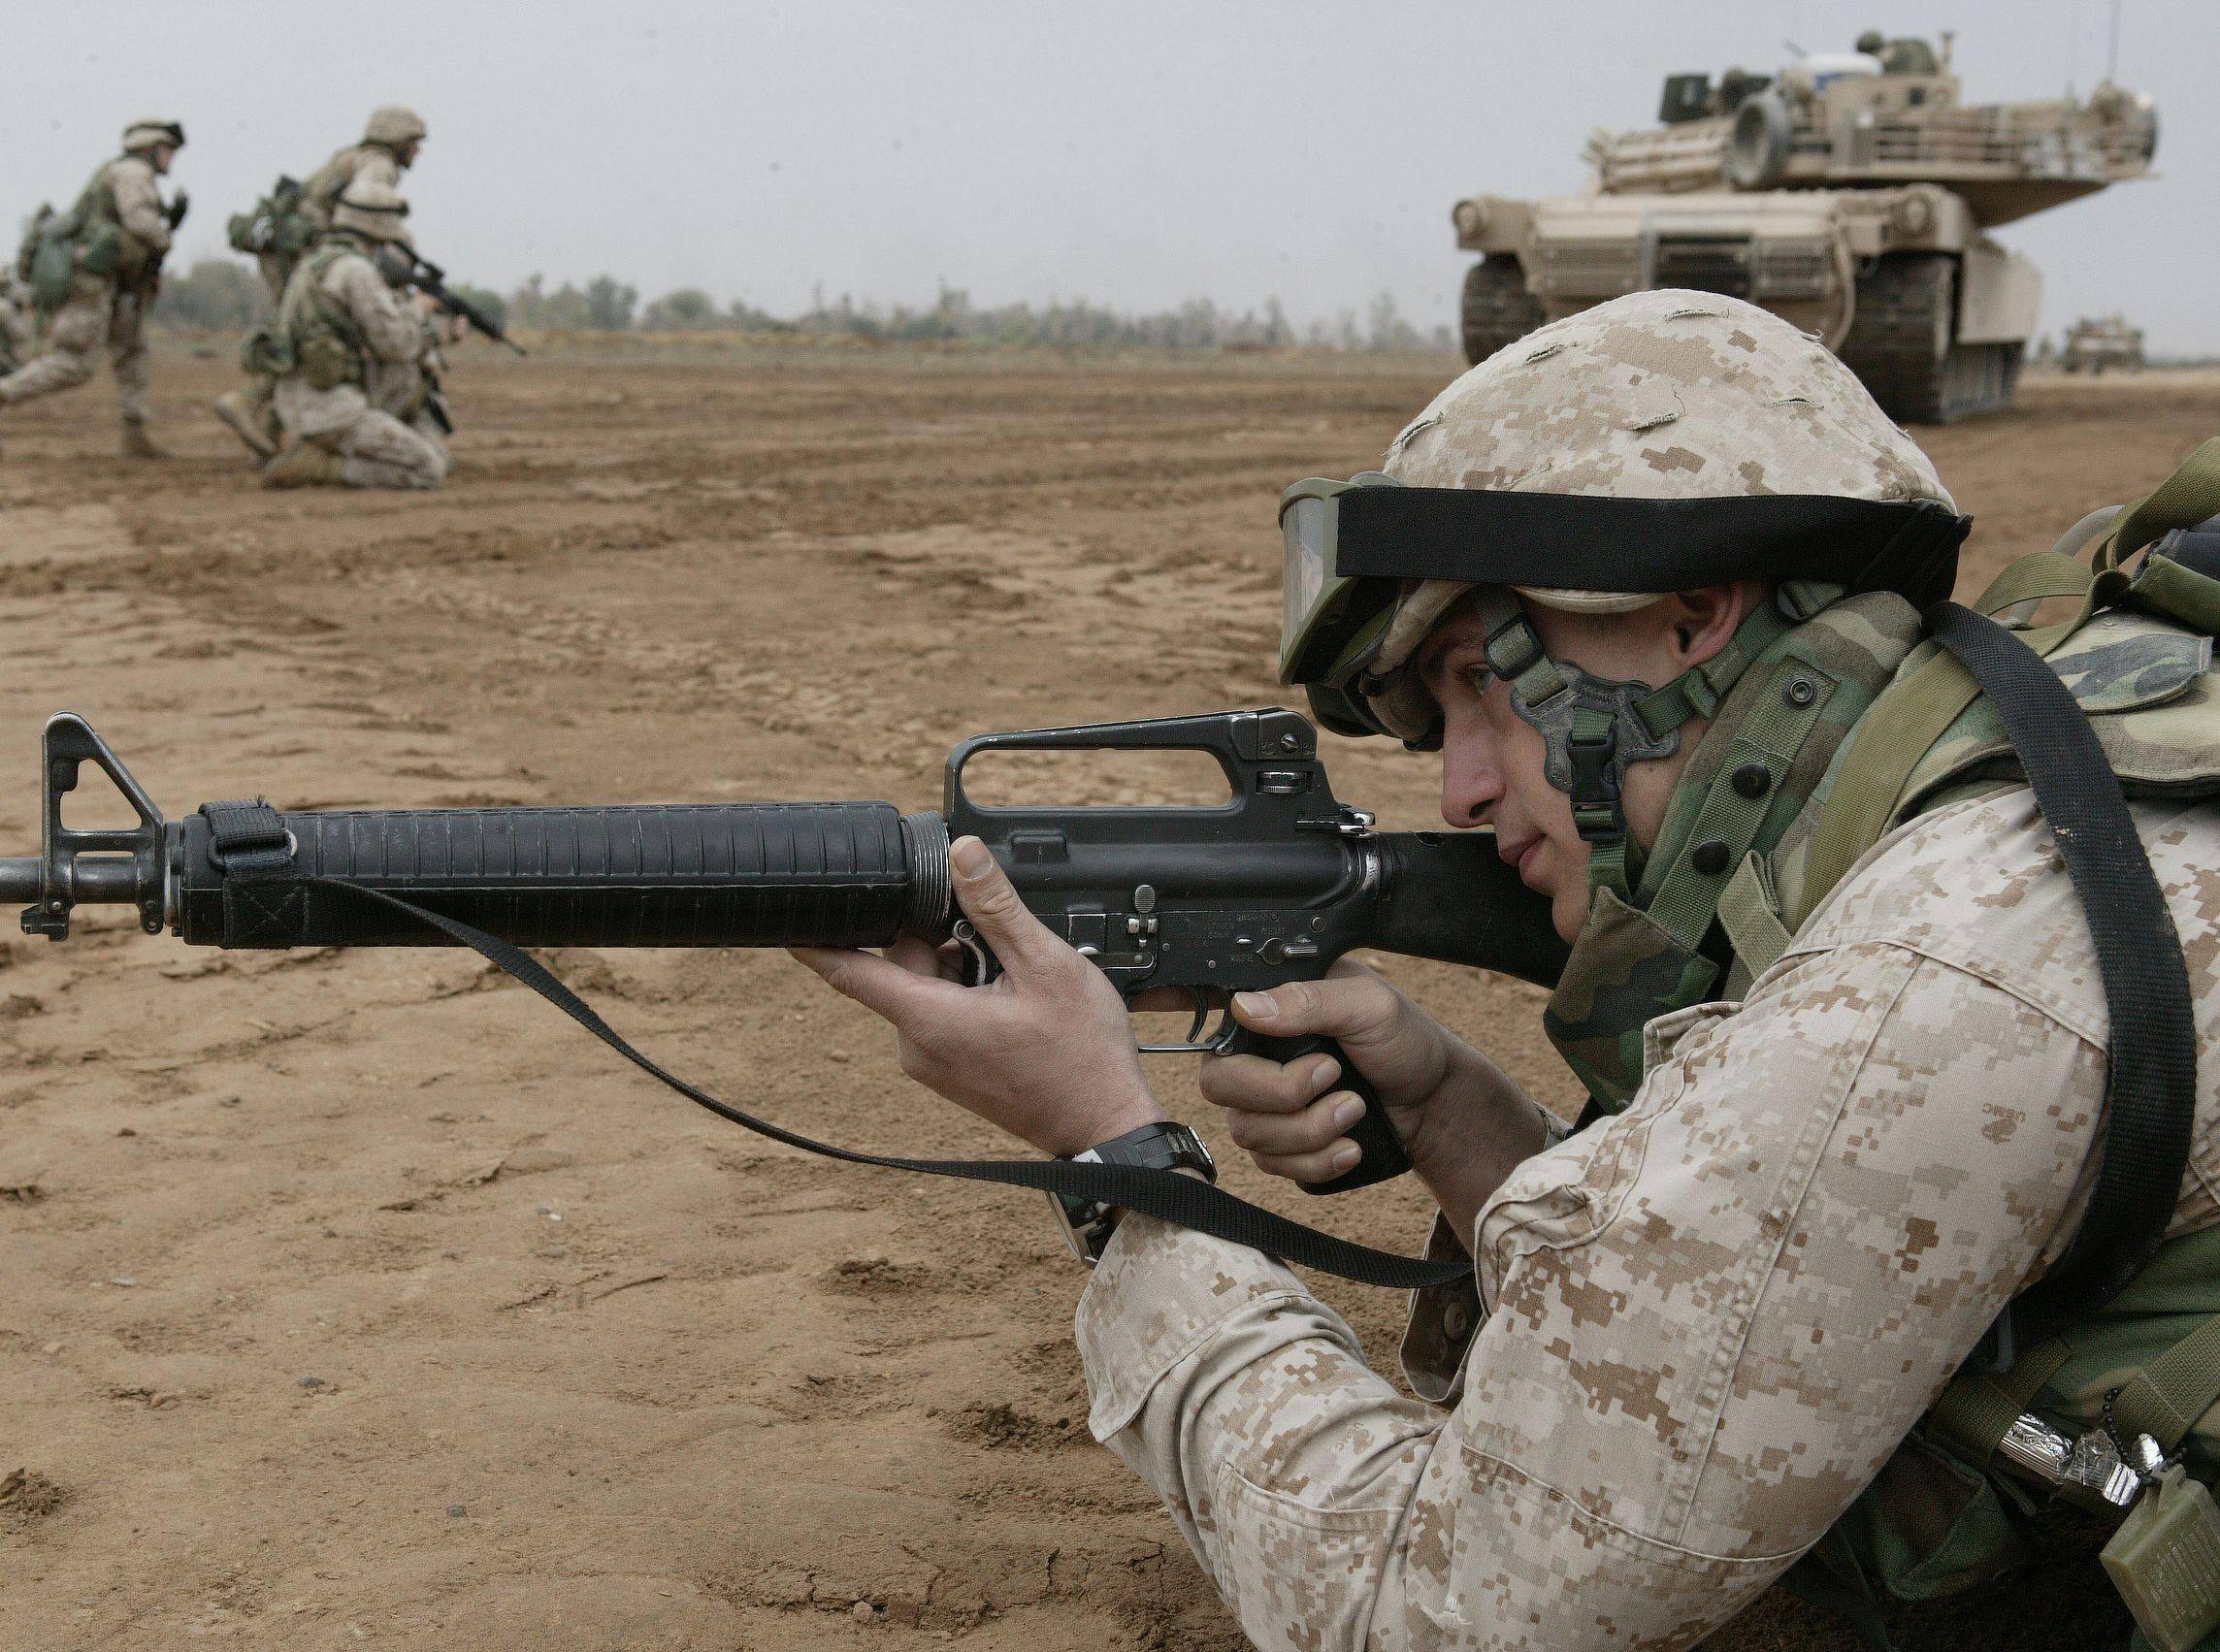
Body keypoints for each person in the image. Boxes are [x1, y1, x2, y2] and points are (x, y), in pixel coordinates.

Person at [795, 288, 2220, 1647]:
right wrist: (1456, 1115)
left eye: (1484, 676)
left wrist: (1115, 1157)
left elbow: (1430, 1610)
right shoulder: (2038, 774)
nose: (1465, 788)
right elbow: (1743, 1313)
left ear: (1692, 612)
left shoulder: (1930, 984)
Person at [0, 119, 185, 460]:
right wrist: (164, 237)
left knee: (132, 352)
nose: (172, 159)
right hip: (92, 281)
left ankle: (134, 433)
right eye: (168, 151)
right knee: (75, 362)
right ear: (151, 148)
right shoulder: (133, 171)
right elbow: (140, 221)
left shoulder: (121, 171)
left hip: (116, 284)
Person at [213, 104, 429, 462]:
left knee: (303, 331)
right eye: (414, 142)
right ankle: (249, 401)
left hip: (290, 249)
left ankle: (267, 430)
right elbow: (369, 214)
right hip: (304, 251)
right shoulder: (378, 167)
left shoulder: (353, 157)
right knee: (308, 334)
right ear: (397, 141)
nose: (418, 152)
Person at [258, 177, 450, 491]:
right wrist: (421, 313)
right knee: (429, 469)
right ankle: (321, 466)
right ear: (380, 224)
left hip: (304, 402)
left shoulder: (314, 262)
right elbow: (397, 345)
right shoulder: (356, 271)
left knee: (431, 448)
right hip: (333, 411)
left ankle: (321, 450)